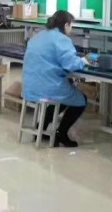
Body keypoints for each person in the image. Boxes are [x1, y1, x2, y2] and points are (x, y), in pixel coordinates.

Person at [22, 10, 91, 148]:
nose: (71, 29)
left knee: (64, 96)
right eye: (71, 26)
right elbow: (70, 64)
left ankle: (40, 128)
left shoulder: (38, 36)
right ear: (66, 25)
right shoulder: (61, 39)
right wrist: (84, 60)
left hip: (30, 86)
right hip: (48, 87)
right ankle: (62, 134)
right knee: (80, 100)